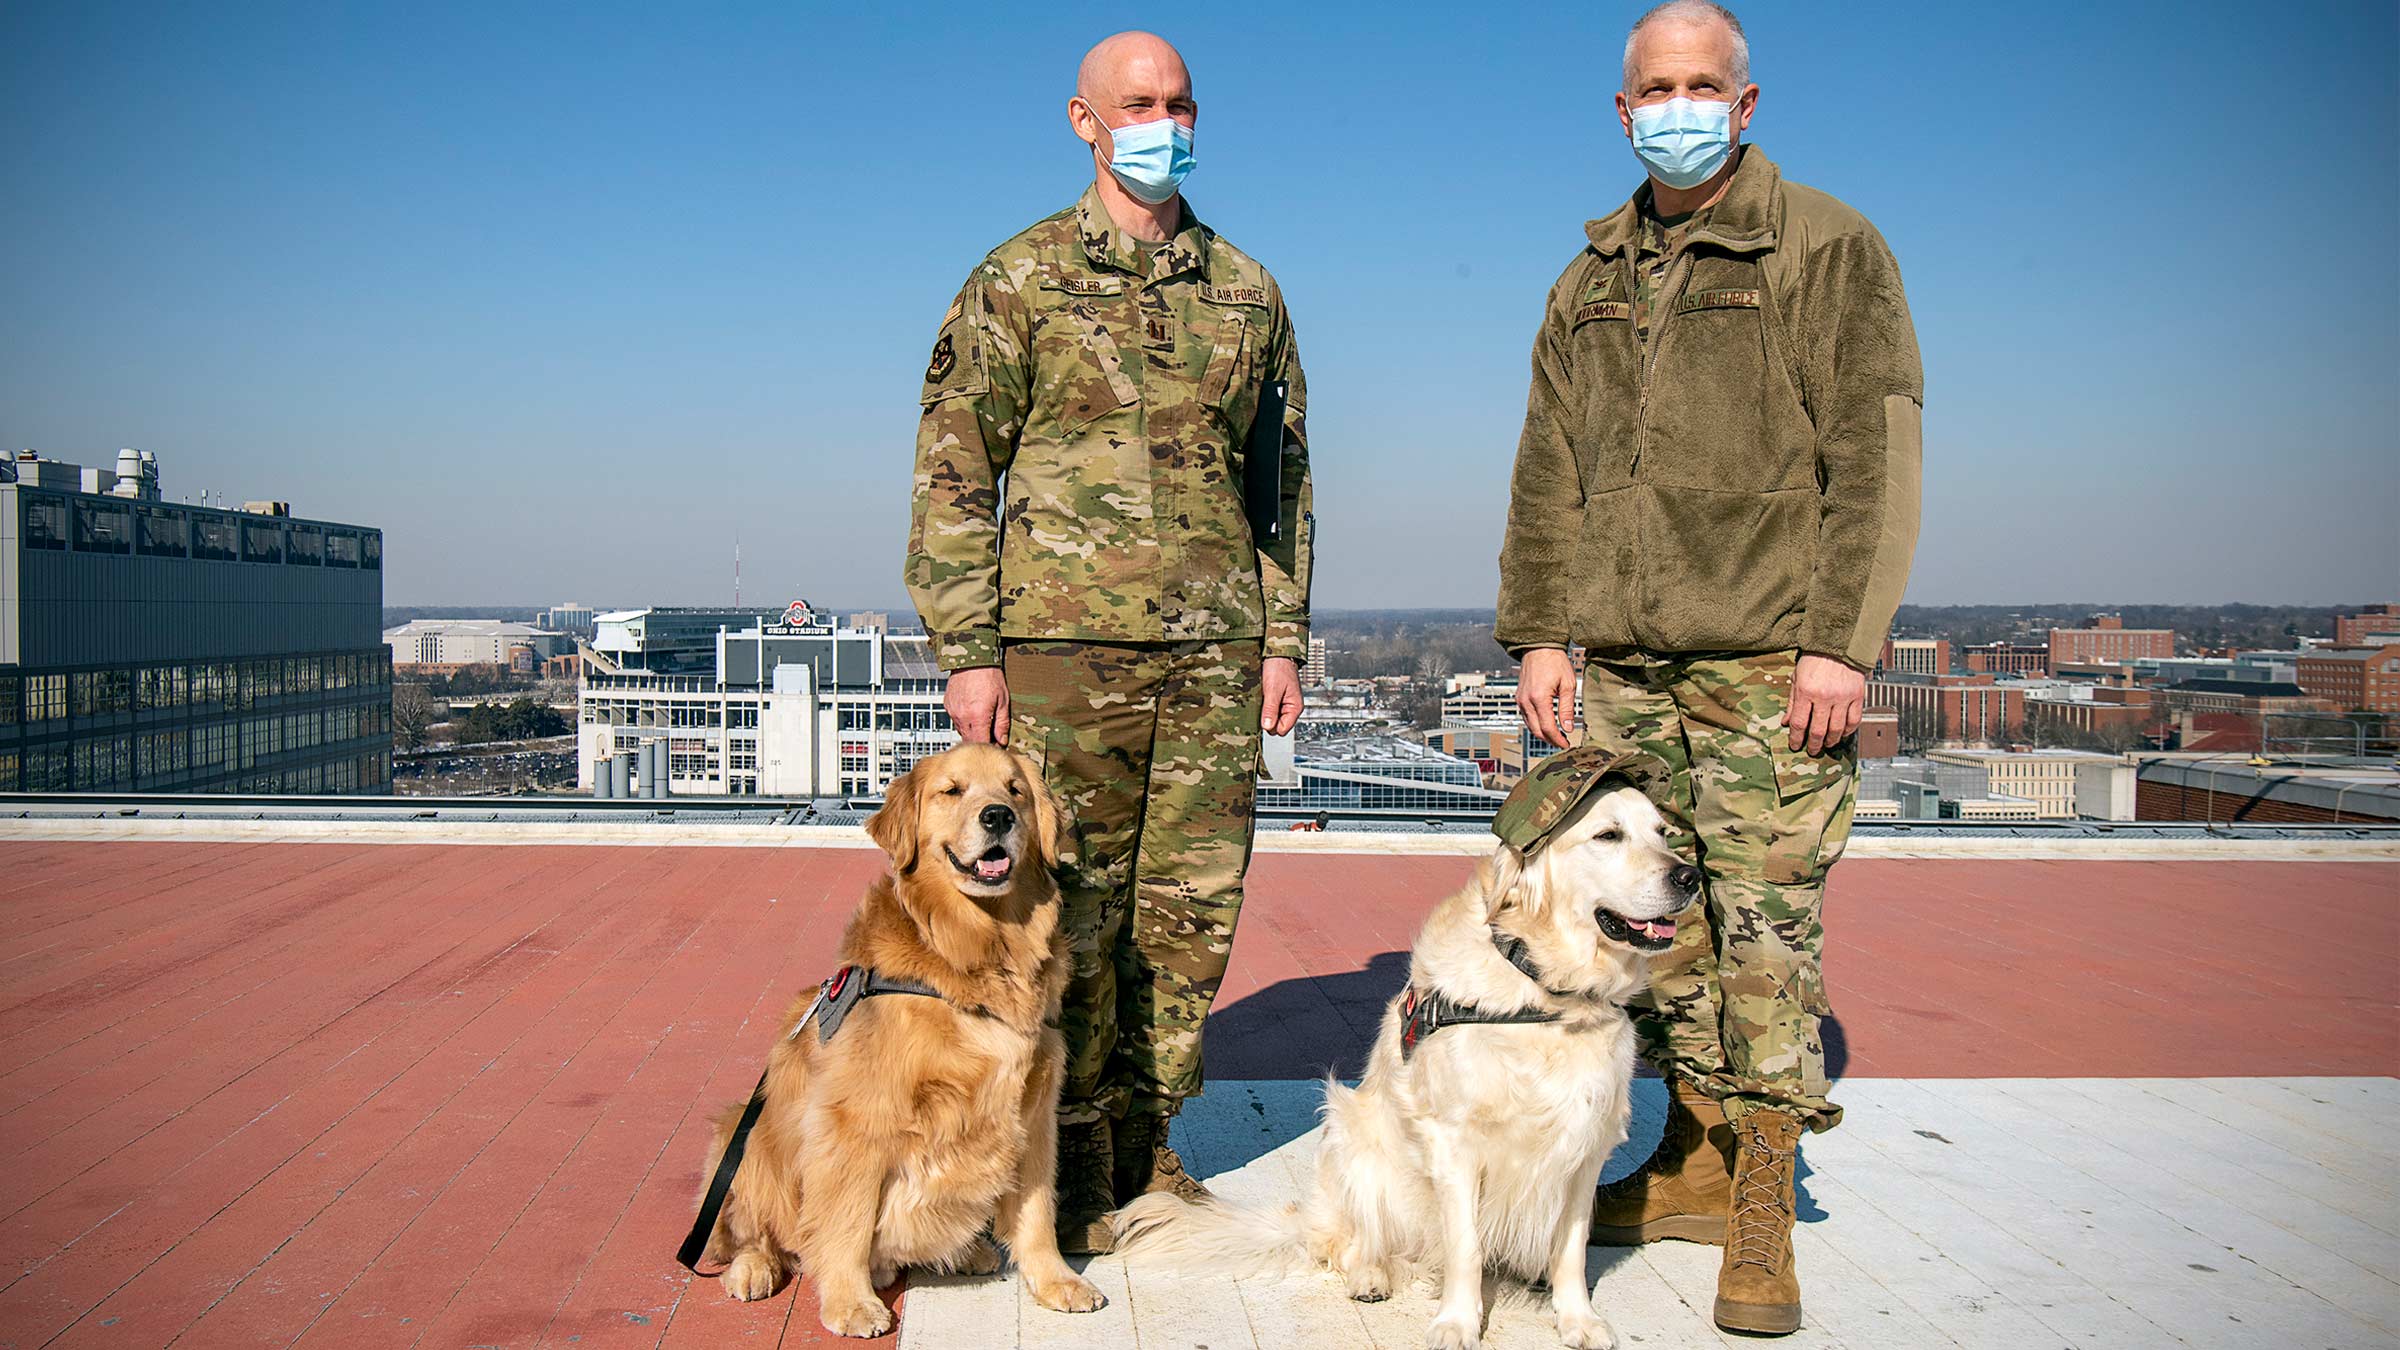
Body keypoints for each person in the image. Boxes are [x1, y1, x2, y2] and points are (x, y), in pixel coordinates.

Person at [1495, 0, 1922, 1335]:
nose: (1678, 105)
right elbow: (1546, 468)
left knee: (1765, 929)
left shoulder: (1829, 249)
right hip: (1620, 663)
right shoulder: (1591, 276)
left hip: (1764, 665)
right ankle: (1684, 1151)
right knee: (1648, 921)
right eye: (1653, 88)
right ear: (1623, 112)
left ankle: (1759, 1195)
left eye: (1702, 83)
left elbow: (1875, 456)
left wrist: (1841, 642)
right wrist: (1543, 630)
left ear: (1746, 101)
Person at [903, 30, 1311, 1255]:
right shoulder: (1014, 282)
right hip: (1057, 656)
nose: (1162, 120)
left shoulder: (1247, 291)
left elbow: (1281, 483)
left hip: (1211, 657)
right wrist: (969, 649)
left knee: (1190, 912)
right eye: (1138, 103)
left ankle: (1149, 1142)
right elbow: (953, 473)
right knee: (1061, 909)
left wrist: (1280, 635)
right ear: (1084, 119)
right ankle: (1068, 1148)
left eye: (1180, 102)